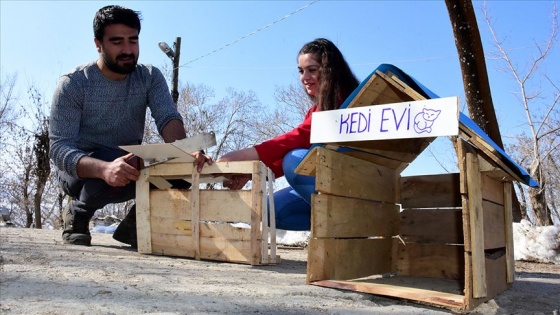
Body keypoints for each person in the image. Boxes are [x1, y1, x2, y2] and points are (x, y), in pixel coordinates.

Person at [49, 5, 211, 247]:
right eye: (116, 42)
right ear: (98, 44)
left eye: (132, 41)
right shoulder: (73, 84)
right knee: (111, 162)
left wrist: (185, 151)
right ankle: (78, 214)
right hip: (80, 172)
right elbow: (59, 150)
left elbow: (168, 117)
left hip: (128, 162)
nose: (127, 50)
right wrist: (104, 169)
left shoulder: (149, 76)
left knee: (182, 167)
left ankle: (135, 226)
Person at [217, 38, 359, 231]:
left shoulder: (349, 100)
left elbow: (297, 138)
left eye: (312, 70)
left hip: (353, 185)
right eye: (301, 71)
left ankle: (351, 218)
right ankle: (340, 226)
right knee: (266, 210)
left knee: (294, 160)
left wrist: (241, 155)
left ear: (329, 70)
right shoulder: (315, 110)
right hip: (325, 184)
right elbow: (299, 146)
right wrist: (250, 173)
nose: (304, 77)